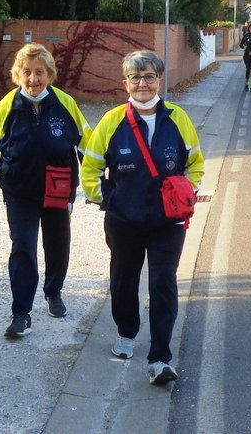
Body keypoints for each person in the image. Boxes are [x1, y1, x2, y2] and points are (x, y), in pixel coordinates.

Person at [81, 50, 204, 386]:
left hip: (168, 222)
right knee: (124, 279)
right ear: (126, 83)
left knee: (163, 282)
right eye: (135, 77)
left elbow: (195, 164)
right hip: (124, 221)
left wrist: (186, 193)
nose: (142, 84)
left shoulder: (178, 119)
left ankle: (160, 358)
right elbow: (90, 168)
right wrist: (110, 200)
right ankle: (126, 332)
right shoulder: (111, 121)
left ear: (160, 80)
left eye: (149, 77)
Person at [0, 43, 92, 339]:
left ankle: (53, 292)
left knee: (57, 245)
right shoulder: (7, 106)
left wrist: (96, 183)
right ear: (18, 74)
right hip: (20, 192)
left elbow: (88, 146)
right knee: (23, 247)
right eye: (26, 72)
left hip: (59, 189)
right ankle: (21, 313)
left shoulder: (65, 103)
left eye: (39, 72)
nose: (33, 79)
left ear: (49, 74)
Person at [240, 22, 251, 91]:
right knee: (248, 69)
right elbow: (241, 45)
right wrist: (244, 47)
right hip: (247, 56)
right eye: (250, 28)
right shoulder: (246, 36)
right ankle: (247, 83)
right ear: (248, 29)